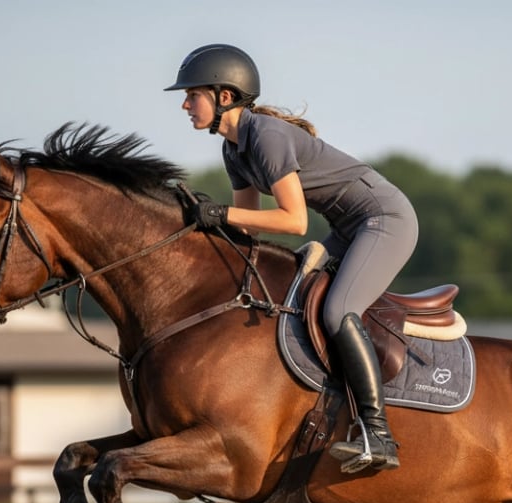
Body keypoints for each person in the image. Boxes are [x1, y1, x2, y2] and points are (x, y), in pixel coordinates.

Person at [165, 43, 419, 474]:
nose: (186, 104)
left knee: (339, 311)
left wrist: (221, 213)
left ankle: (378, 434)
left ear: (225, 96)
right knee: (294, 299)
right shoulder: (234, 149)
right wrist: (197, 222)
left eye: (193, 94)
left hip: (384, 219)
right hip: (346, 228)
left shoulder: (266, 135)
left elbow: (294, 220)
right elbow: (250, 226)